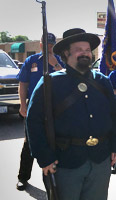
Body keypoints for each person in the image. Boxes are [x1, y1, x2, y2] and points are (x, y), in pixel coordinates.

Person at [26, 28, 116, 200]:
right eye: (79, 50)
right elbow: (34, 122)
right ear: (66, 53)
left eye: (87, 50)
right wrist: (44, 157)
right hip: (65, 162)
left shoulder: (102, 81)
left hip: (100, 159)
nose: (85, 54)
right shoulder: (50, 82)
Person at [16, 32, 64, 191]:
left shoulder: (60, 60)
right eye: (46, 44)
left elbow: (67, 80)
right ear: (41, 44)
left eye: (52, 45)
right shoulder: (31, 61)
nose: (49, 48)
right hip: (34, 107)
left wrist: (55, 64)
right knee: (29, 142)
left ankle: (53, 177)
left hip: (56, 107)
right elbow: (23, 83)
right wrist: (23, 104)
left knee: (55, 141)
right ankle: (23, 177)